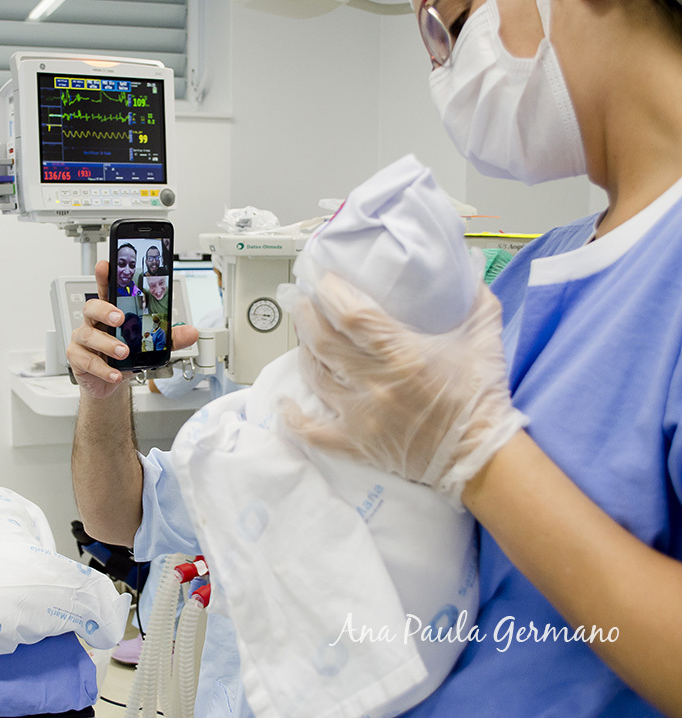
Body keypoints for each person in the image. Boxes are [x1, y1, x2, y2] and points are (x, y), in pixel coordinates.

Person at [70, 0, 682, 715]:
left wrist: (481, 456)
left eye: (445, 23)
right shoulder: (527, 279)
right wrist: (103, 393)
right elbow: (125, 519)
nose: (440, 67)